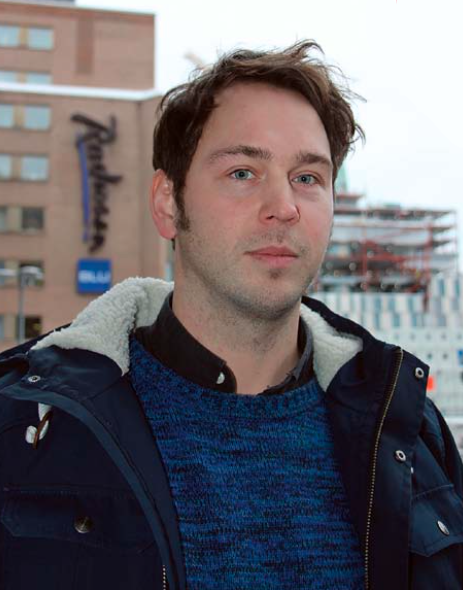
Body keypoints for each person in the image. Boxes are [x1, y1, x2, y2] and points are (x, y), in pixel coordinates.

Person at [0, 41, 462, 590]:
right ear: (168, 203)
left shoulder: (409, 430)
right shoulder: (27, 426)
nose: (284, 207)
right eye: (243, 172)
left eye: (308, 178)